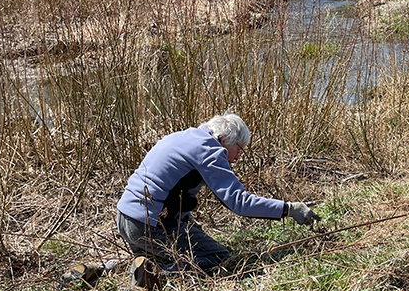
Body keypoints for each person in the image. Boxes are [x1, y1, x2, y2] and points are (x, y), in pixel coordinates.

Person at [116, 113, 320, 289]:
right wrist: (290, 209)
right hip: (148, 225)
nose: (238, 157)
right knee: (218, 257)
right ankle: (154, 277)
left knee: (156, 255)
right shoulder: (210, 150)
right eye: (239, 149)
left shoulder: (184, 136)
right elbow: (240, 203)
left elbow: (171, 188)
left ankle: (102, 269)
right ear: (224, 140)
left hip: (125, 218)